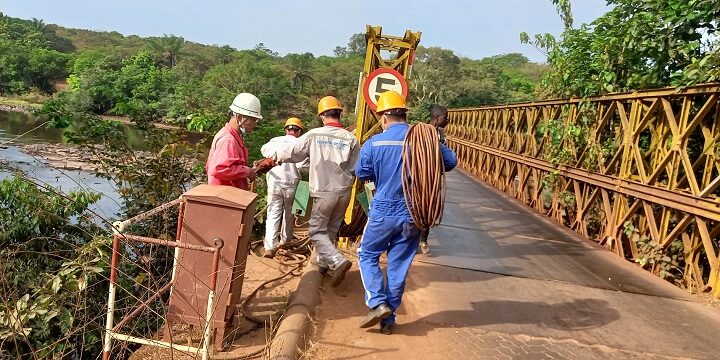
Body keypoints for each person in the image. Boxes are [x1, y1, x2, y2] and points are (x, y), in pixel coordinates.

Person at [355, 91, 457, 335]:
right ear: (404, 114)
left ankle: (377, 303)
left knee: (367, 254)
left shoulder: (375, 143)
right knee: (398, 264)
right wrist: (434, 146)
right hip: (414, 213)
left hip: (382, 210)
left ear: (383, 117)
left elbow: (362, 173)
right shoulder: (425, 139)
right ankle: (388, 320)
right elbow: (451, 162)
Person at [274, 96, 359, 286]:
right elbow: (355, 168)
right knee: (330, 229)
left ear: (322, 116)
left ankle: (337, 261)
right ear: (339, 113)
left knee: (315, 231)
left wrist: (274, 158)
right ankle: (322, 266)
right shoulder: (351, 138)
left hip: (323, 191)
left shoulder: (314, 135)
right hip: (344, 192)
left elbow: (292, 153)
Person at [260, 118, 307, 258]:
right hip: (291, 184)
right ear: (299, 131)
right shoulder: (300, 144)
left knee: (273, 213)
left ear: (286, 129)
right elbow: (303, 166)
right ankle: (285, 241)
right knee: (289, 214)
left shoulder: (274, 141)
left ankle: (270, 246)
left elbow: (264, 152)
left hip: (274, 182)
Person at [206, 93, 262, 190]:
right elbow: (219, 169)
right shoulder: (228, 140)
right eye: (253, 120)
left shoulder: (233, 137)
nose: (254, 124)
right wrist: (248, 172)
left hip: (228, 195)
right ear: (240, 118)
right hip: (223, 197)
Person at [418, 104, 450, 255]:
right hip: (418, 178)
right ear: (437, 118)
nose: (447, 120)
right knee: (416, 208)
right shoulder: (420, 132)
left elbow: (448, 159)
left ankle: (423, 240)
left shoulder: (441, 135)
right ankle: (414, 240)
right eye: (445, 117)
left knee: (429, 209)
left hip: (434, 179)